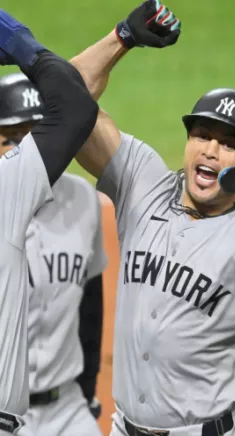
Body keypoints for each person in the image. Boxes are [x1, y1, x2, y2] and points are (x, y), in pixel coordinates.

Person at [69, 0, 235, 435]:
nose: (210, 150)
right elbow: (66, 98)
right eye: (202, 134)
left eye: (229, 143)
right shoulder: (143, 182)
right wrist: (122, 37)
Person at [0, 8, 98, 436]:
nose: (23, 152)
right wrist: (19, 41)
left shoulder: (82, 199)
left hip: (67, 409)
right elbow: (75, 107)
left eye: (33, 138)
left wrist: (90, 391)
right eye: (9, 139)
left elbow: (90, 304)